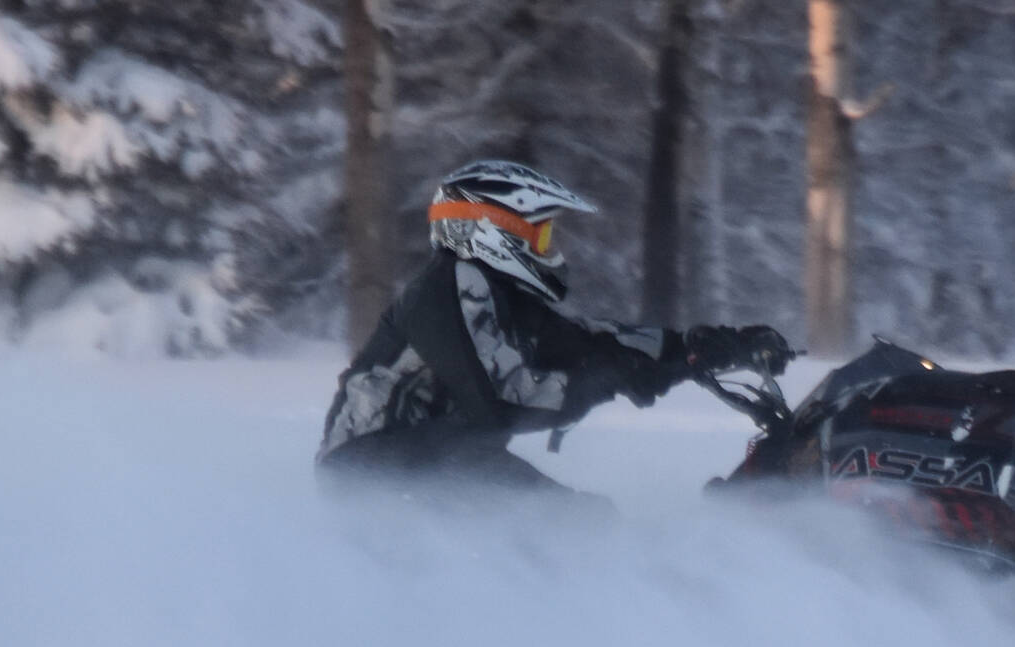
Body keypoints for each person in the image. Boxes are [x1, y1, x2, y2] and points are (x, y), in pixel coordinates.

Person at [317, 158, 791, 499]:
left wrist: (701, 348)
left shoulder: (501, 297)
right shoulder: (450, 285)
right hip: (375, 468)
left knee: (576, 523)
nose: (548, 249)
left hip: (432, 459)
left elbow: (591, 341)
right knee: (567, 526)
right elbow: (502, 401)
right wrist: (606, 379)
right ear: (493, 231)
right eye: (539, 236)